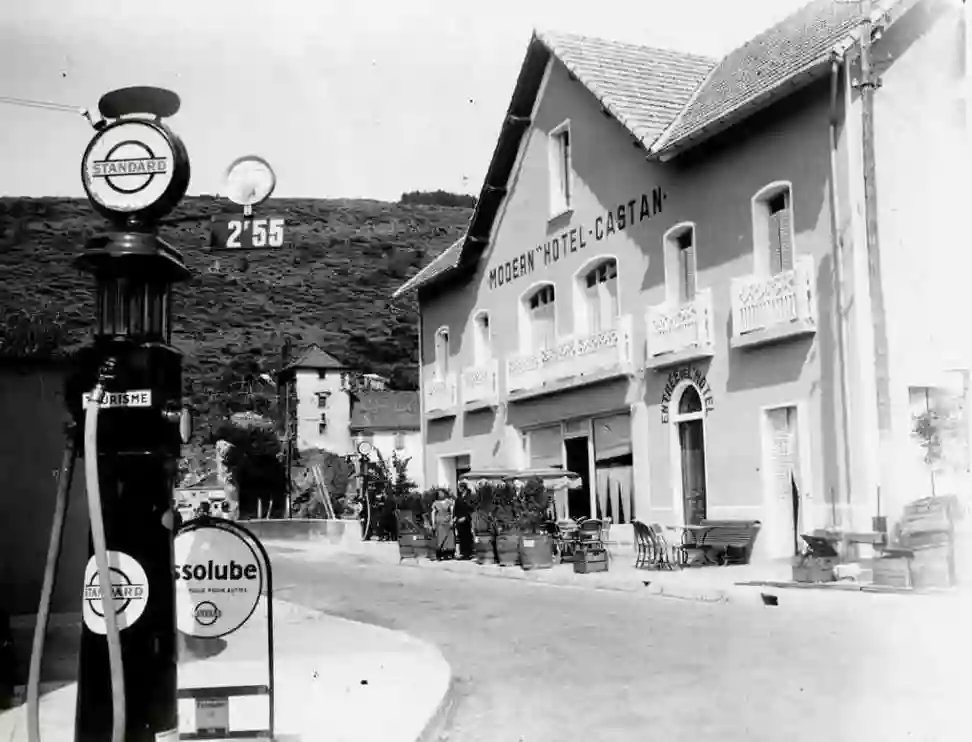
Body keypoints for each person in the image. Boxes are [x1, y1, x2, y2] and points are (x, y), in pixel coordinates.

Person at [431, 489, 456, 560]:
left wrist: (452, 521)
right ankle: (439, 554)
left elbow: (452, 512)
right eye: (439, 493)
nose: (440, 494)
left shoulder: (449, 502)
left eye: (441, 493)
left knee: (449, 538)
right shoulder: (435, 503)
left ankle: (448, 554)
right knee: (440, 538)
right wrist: (433, 523)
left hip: (447, 522)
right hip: (439, 523)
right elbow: (433, 513)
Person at [454, 484, 474, 560]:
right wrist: (455, 518)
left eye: (459, 488)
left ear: (463, 488)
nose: (458, 489)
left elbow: (471, 509)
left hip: (466, 520)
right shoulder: (459, 498)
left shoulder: (469, 497)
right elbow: (456, 509)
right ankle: (463, 553)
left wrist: (465, 517)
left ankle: (468, 553)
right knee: (461, 536)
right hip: (459, 520)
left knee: (467, 536)